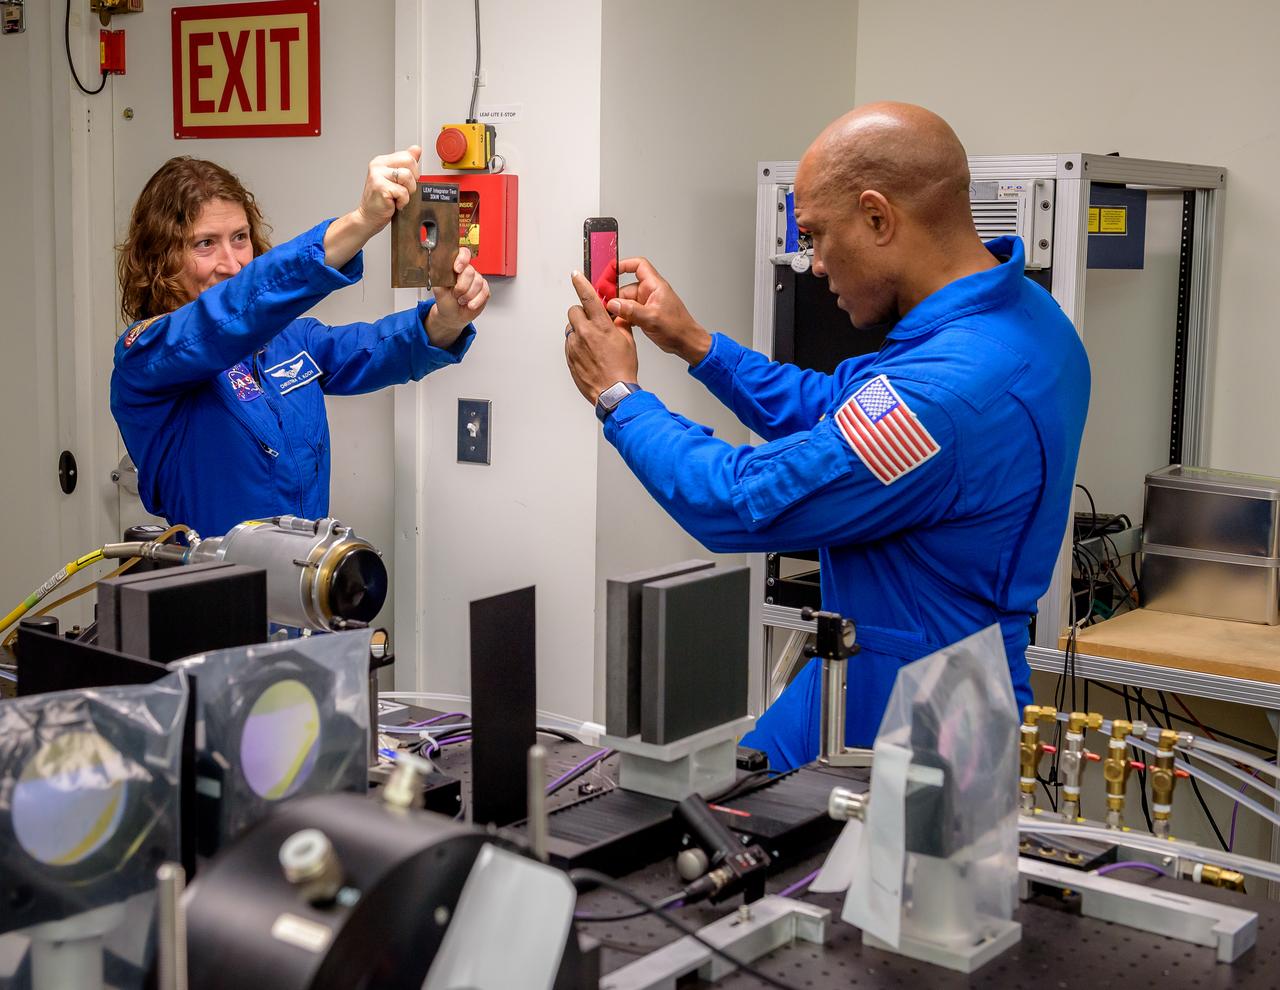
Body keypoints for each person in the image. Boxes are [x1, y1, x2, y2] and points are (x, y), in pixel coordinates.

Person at [564, 102, 1090, 771]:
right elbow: (839, 407)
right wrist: (698, 346)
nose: (812, 264)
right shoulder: (1021, 318)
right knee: (711, 808)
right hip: (867, 664)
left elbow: (741, 501)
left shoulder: (949, 392)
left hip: (917, 710)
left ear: (878, 217)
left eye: (815, 236)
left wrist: (621, 398)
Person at [112, 146, 489, 537]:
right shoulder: (146, 355)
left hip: (302, 582)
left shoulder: (287, 340)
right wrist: (361, 222)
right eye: (204, 243)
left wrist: (445, 320)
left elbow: (372, 349)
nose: (232, 263)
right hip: (214, 588)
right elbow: (225, 317)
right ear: (161, 259)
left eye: (240, 238)